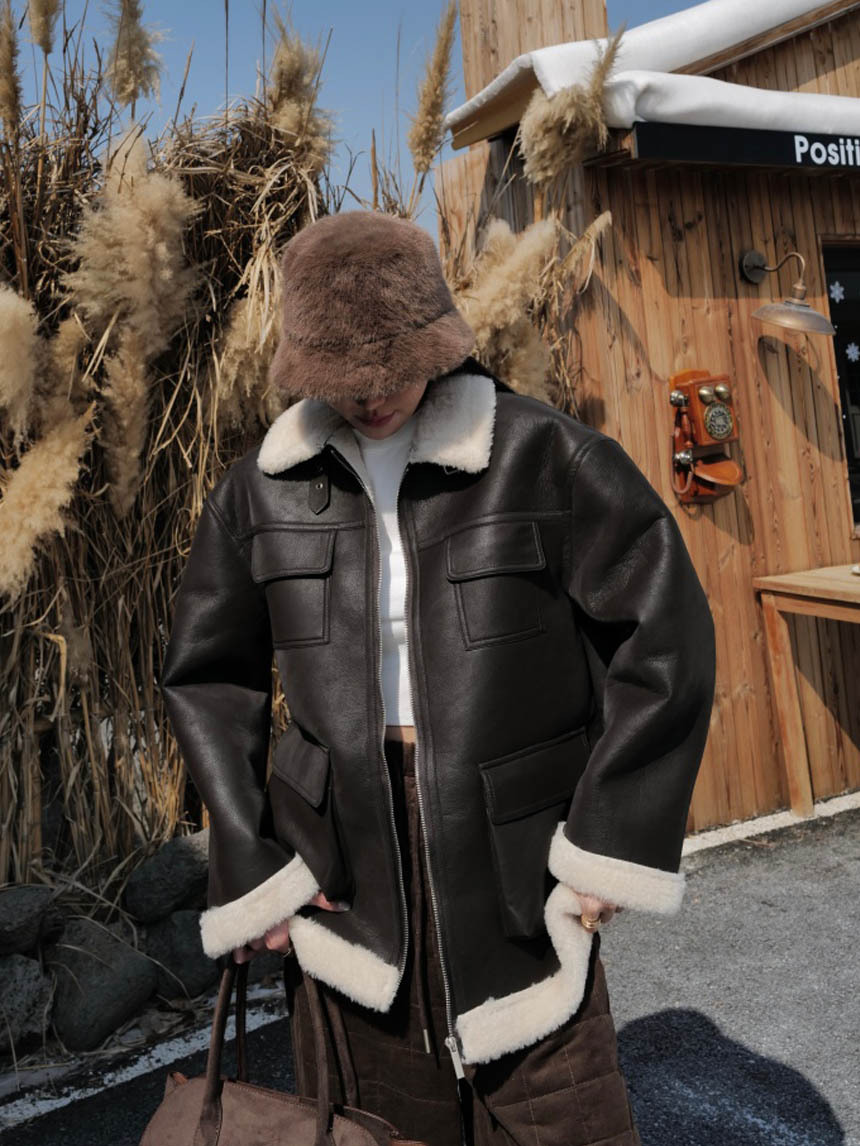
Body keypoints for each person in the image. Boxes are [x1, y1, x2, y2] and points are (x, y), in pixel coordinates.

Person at [159, 209, 716, 1146]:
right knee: (377, 1128)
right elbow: (208, 678)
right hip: (341, 874)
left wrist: (610, 838)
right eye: (345, 381)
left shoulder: (545, 456)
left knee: (566, 1120)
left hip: (517, 866)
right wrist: (253, 865)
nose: (372, 397)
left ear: (437, 338)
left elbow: (666, 639)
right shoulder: (262, 488)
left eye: (390, 371)